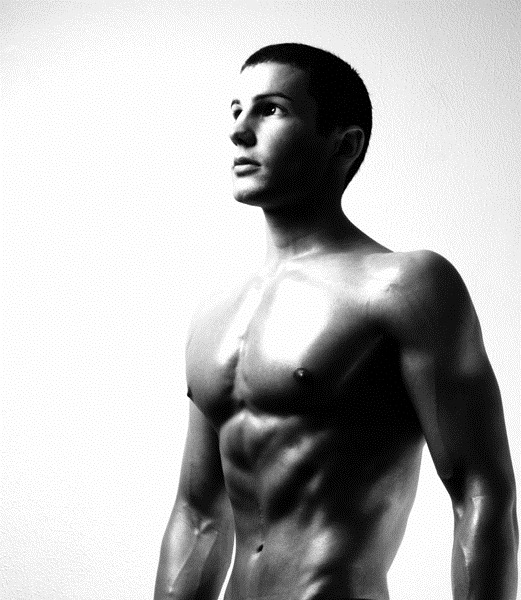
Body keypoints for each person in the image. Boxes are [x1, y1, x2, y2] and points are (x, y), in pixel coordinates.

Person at [154, 43, 518, 600]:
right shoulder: (215, 310)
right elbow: (197, 513)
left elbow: (481, 493)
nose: (239, 132)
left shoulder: (403, 287)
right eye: (236, 110)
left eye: (271, 110)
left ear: (344, 145)